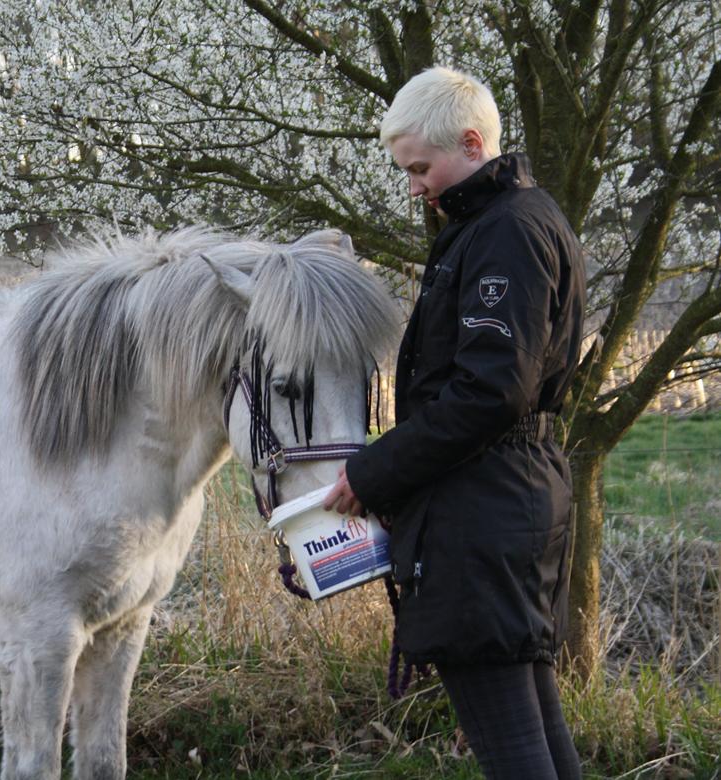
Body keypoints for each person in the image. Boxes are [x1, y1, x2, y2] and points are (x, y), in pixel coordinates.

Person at [323, 66, 586, 779]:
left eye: (420, 167)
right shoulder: (513, 222)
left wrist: (375, 471)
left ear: (471, 143)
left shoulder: (504, 234)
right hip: (507, 502)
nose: (415, 186)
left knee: (513, 744)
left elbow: (488, 392)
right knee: (535, 728)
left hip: (484, 513)